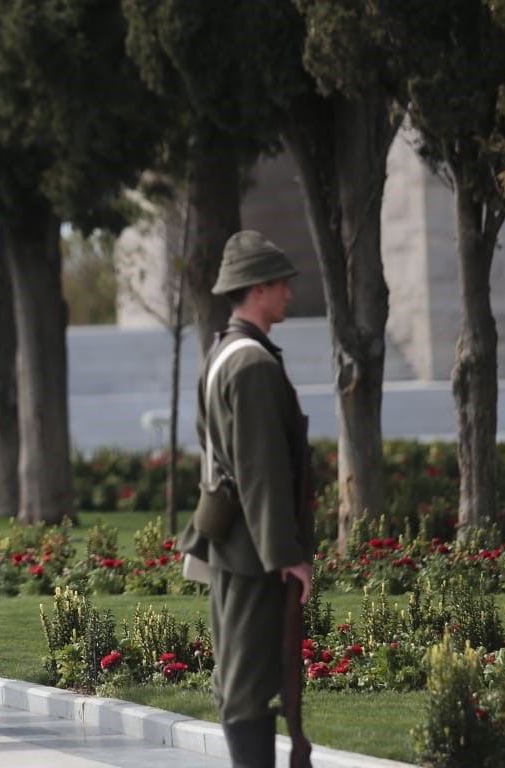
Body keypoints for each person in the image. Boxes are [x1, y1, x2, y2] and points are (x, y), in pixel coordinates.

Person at [178, 231, 314, 768]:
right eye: (282, 285)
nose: (289, 295)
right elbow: (261, 471)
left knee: (243, 674)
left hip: (237, 539)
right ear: (258, 288)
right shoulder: (252, 364)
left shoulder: (223, 352)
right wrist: (286, 554)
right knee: (246, 681)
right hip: (255, 549)